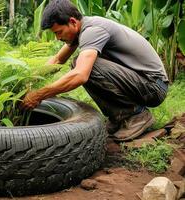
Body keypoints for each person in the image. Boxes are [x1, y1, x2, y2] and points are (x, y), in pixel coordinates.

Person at [21, 0, 168, 141]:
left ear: (72, 22)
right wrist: (26, 82)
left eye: (59, 32)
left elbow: (80, 75)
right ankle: (120, 116)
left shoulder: (93, 31)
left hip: (153, 86)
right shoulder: (81, 30)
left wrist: (39, 95)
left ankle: (136, 114)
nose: (58, 38)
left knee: (84, 66)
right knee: (78, 63)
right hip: (141, 82)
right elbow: (57, 60)